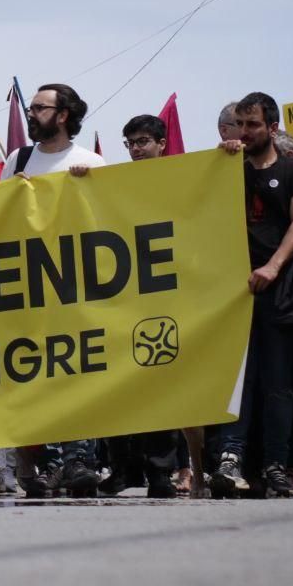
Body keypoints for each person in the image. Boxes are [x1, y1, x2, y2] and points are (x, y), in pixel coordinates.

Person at [212, 92, 293, 499]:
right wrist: (220, 159)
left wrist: (273, 266)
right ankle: (230, 457)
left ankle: (278, 464)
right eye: (240, 124)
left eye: (253, 124)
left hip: (283, 290)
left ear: (272, 128)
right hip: (234, 293)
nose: (245, 132)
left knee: (279, 381)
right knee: (237, 377)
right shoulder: (230, 169)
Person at [1, 84, 105, 498]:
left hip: (75, 287)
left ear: (63, 115)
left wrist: (87, 187)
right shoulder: (18, 160)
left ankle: (81, 458)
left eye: (40, 108)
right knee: (36, 376)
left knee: (77, 373)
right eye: (31, 108)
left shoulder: (90, 161)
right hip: (28, 288)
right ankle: (47, 464)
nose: (32, 114)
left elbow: (110, 221)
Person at [97, 115, 179, 499]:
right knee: (117, 386)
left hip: (165, 297)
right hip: (122, 297)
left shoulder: (185, 179)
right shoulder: (115, 183)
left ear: (162, 143)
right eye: (130, 143)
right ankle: (122, 467)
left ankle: (160, 471)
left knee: (160, 384)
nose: (135, 149)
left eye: (143, 141)